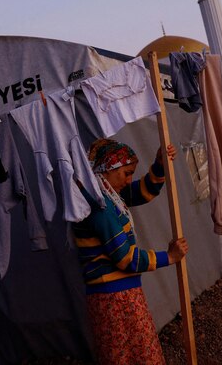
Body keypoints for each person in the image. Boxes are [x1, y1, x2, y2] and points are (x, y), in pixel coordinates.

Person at [73, 138, 188, 365]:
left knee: (130, 356)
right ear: (107, 169)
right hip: (115, 299)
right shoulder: (100, 207)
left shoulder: (106, 196)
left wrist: (159, 165)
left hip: (116, 296)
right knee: (135, 357)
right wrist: (170, 257)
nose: (129, 180)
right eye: (126, 173)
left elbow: (143, 192)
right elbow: (127, 259)